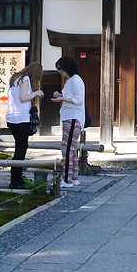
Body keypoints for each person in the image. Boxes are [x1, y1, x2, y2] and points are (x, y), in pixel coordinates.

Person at [5, 61, 44, 189]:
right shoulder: (25, 78)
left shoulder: (14, 79)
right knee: (21, 151)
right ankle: (15, 181)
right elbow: (23, 98)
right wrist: (36, 93)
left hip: (11, 118)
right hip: (20, 118)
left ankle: (17, 178)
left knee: (19, 149)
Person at [51, 55, 86, 187]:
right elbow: (71, 97)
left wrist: (62, 99)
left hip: (73, 117)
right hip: (69, 116)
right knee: (71, 148)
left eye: (60, 68)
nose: (59, 71)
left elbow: (78, 100)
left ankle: (67, 179)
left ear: (66, 68)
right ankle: (74, 177)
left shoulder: (75, 80)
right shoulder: (70, 81)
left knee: (66, 148)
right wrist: (60, 96)